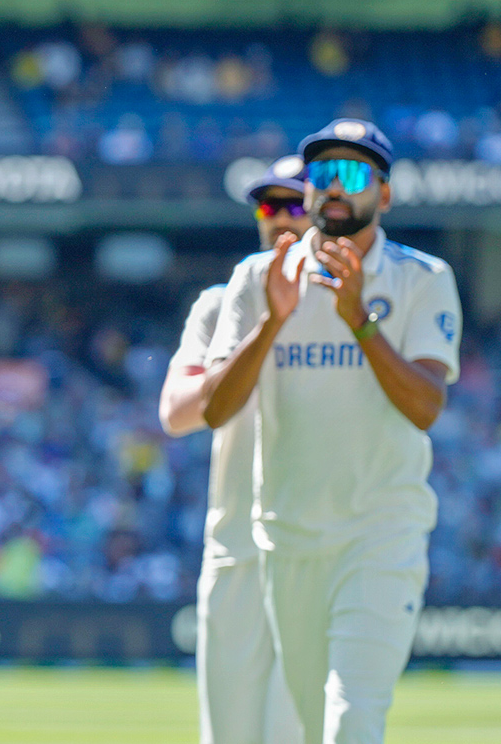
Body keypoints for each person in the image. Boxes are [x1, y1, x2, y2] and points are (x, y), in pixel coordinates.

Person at [202, 119, 461, 744]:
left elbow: (426, 407)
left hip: (380, 535)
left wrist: (360, 323)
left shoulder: (422, 278)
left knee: (352, 720)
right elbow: (215, 410)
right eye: (322, 175)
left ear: (386, 194)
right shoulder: (259, 277)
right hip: (286, 539)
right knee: (312, 727)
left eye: (351, 174)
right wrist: (272, 320)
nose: (333, 190)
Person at [159, 155, 308, 744]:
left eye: (294, 204)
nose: (279, 219)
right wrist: (263, 327)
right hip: (236, 546)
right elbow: (176, 413)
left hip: (313, 545)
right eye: (269, 206)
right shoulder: (220, 304)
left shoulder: (348, 303)